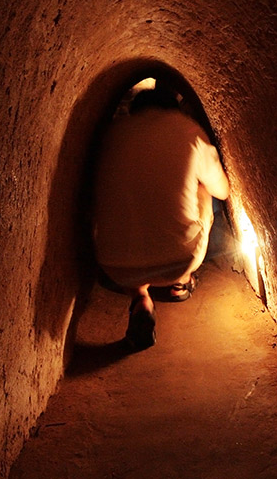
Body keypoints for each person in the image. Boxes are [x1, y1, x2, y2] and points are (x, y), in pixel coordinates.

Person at [92, 86, 230, 349]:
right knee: (204, 188)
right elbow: (222, 190)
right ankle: (180, 283)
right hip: (177, 261)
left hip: (114, 265)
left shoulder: (114, 133)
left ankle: (141, 298)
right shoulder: (188, 130)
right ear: (174, 108)